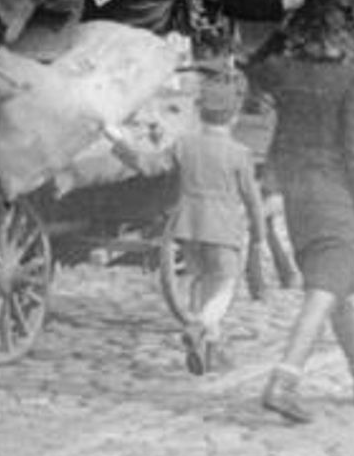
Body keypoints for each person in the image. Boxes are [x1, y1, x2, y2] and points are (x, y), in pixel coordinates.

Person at [245, 0, 354, 423]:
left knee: (336, 288)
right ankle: (284, 380)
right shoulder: (353, 79)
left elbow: (253, 66)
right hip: (337, 197)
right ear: (343, 31)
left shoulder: (282, 71)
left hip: (298, 196)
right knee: (324, 289)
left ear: (301, 29)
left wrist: (282, 28)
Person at [107, 70, 268, 375]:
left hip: (188, 227)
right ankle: (200, 326)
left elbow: (148, 166)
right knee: (225, 284)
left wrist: (116, 140)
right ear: (233, 117)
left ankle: (210, 350)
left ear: (199, 112)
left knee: (199, 280)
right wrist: (259, 235)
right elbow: (252, 200)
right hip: (222, 228)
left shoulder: (184, 144)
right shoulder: (239, 154)